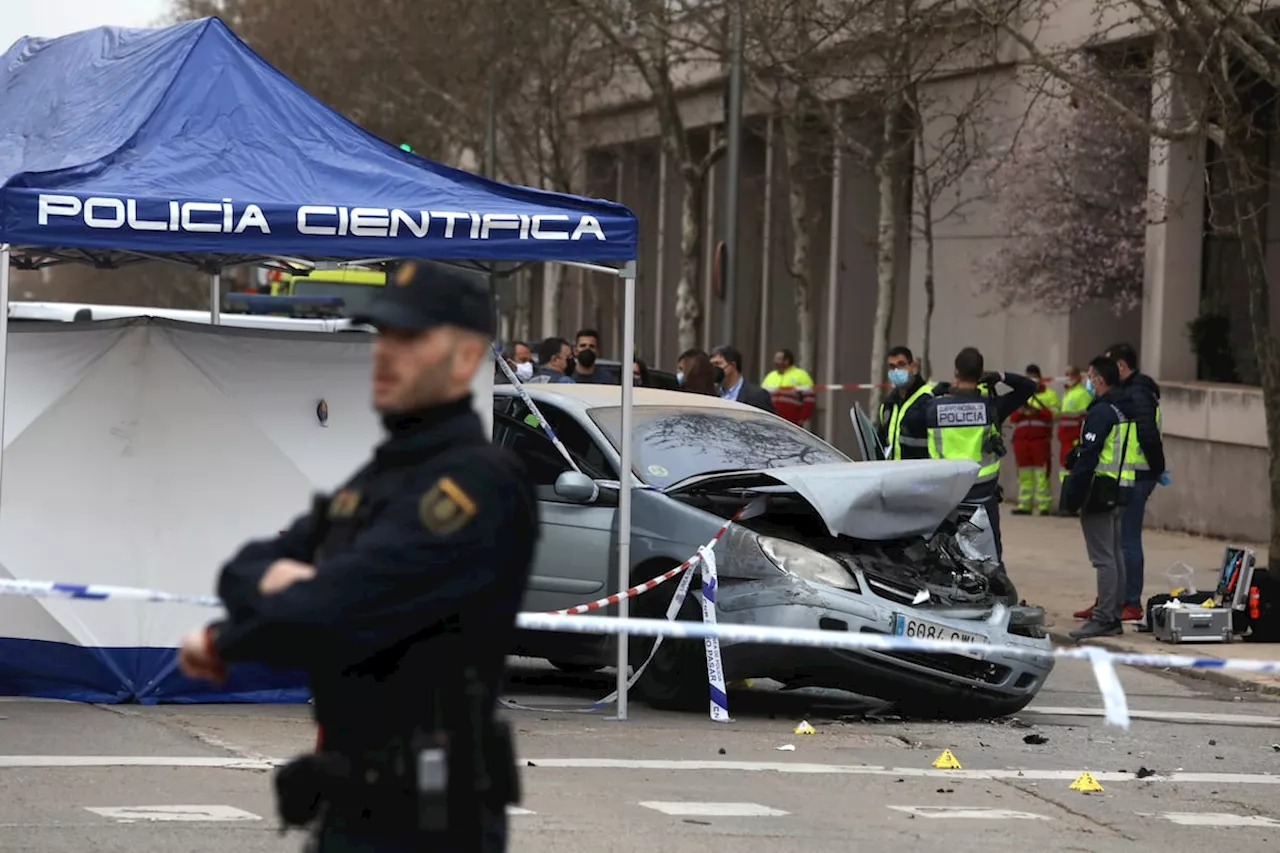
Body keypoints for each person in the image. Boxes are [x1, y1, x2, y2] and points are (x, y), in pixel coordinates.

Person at [176, 259, 538, 851]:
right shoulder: (379, 477)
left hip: (432, 817)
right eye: (383, 335)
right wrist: (291, 581)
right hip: (350, 801)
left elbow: (340, 605)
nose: (385, 352)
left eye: (411, 338)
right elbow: (244, 567)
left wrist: (224, 642)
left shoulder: (478, 483)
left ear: (468, 357)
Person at [1072, 343, 1165, 622]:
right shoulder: (1129, 394)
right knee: (1115, 543)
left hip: (1136, 474)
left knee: (1125, 542)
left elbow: (1147, 434)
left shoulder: (1137, 394)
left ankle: (1129, 602)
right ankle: (1110, 601)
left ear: (1121, 367)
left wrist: (1156, 469)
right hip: (1129, 473)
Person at [924, 347, 1037, 563]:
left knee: (944, 560)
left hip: (948, 498)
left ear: (956, 372)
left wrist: (933, 392)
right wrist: (1001, 377)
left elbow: (910, 414)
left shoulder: (934, 408)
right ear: (981, 373)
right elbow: (1029, 387)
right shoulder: (992, 407)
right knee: (989, 561)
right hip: (982, 498)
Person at [1061, 355, 1136, 639]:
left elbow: (1090, 457)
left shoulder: (1103, 412)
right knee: (1115, 555)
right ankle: (1112, 615)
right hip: (1120, 488)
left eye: (1090, 377)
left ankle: (1104, 618)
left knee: (1104, 559)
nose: (1088, 382)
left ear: (1100, 380)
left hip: (1099, 490)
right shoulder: (1125, 409)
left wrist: (1073, 496)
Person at [1009, 364, 1059, 516]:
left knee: (1042, 473)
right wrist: (1023, 411)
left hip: (1040, 440)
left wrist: (1037, 411)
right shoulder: (1020, 395)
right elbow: (1012, 418)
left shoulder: (1049, 395)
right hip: (1021, 441)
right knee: (1024, 475)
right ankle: (1025, 504)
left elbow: (1055, 414)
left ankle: (1044, 505)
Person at [876, 345, 933, 459]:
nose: (896, 371)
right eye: (892, 367)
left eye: (901, 365)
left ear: (913, 367)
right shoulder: (888, 405)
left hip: (921, 473)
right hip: (893, 473)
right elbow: (881, 444)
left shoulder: (929, 399)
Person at [1056, 365, 1091, 511]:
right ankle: (1066, 504)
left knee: (1073, 471)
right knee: (1065, 471)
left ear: (1077, 377)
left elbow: (1085, 418)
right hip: (1065, 439)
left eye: (1069, 374)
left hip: (1074, 440)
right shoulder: (1068, 393)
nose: (1067, 377)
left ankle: (1072, 506)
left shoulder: (1081, 394)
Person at [711, 345, 775, 413]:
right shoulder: (712, 393)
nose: (713, 368)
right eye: (711, 365)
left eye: (717, 364)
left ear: (733, 365)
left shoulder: (757, 395)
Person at [760, 348, 816, 426]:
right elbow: (761, 397)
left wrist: (802, 418)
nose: (775, 362)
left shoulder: (801, 376)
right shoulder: (770, 376)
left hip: (792, 424)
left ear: (787, 361)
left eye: (778, 359)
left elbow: (809, 400)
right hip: (771, 422)